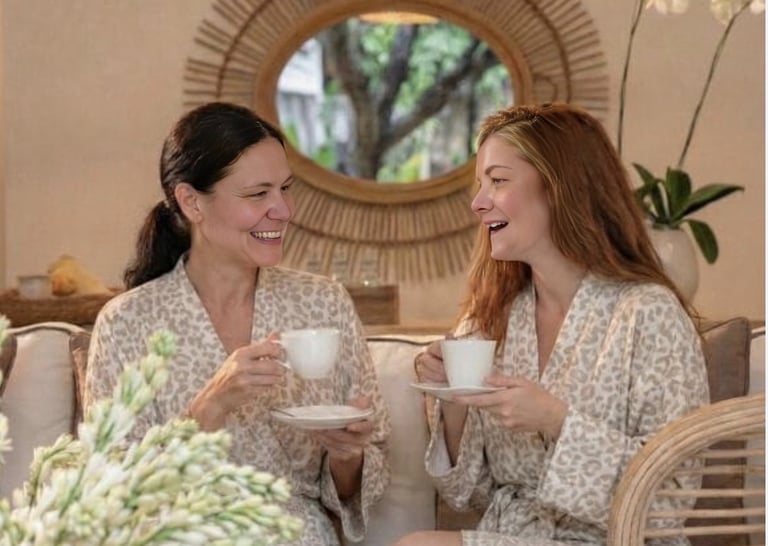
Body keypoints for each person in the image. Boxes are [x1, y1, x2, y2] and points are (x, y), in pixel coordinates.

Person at [395, 103, 709, 546]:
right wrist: (452, 402)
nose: (478, 203)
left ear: (560, 188)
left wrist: (557, 420)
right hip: (515, 536)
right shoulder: (491, 318)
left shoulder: (648, 314)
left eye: (498, 181)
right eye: (480, 184)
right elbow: (469, 494)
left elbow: (670, 501)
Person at [83, 102, 391, 546]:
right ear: (192, 202)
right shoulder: (127, 321)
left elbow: (364, 476)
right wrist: (211, 405)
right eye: (258, 194)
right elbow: (113, 490)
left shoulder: (323, 303)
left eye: (285, 189)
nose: (282, 210)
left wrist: (348, 458)